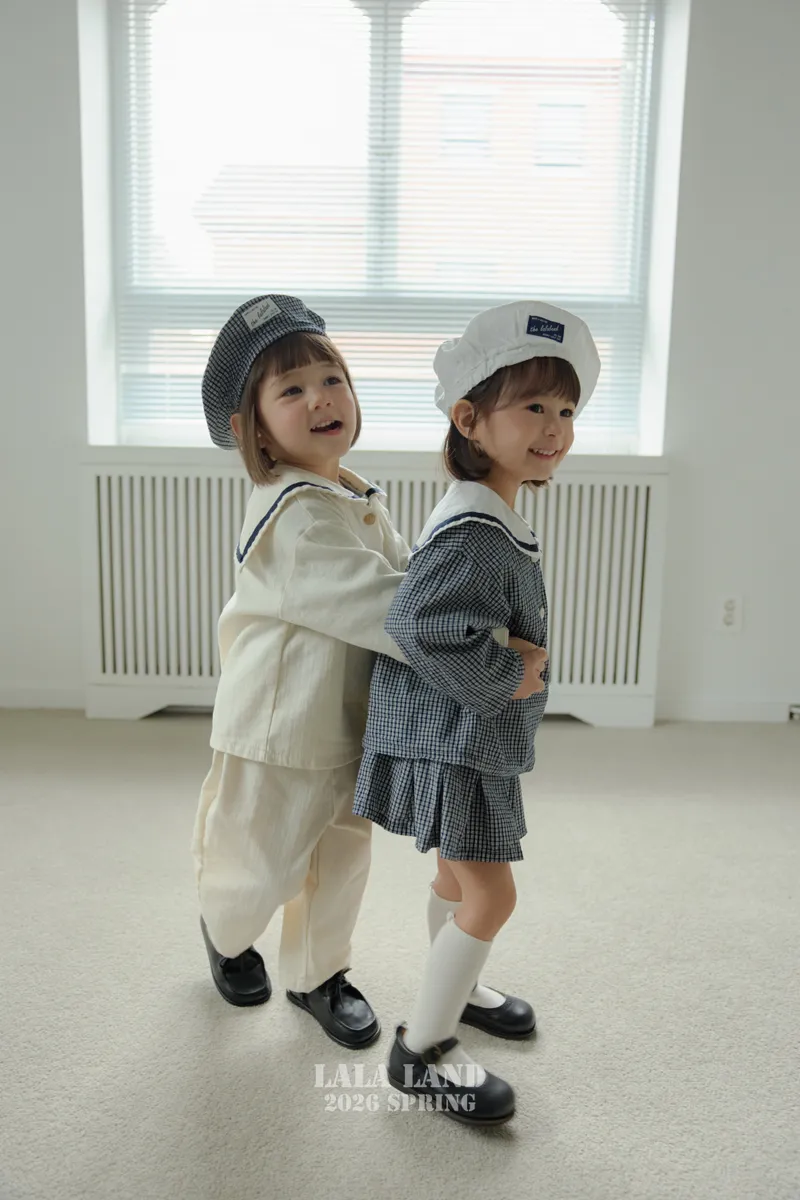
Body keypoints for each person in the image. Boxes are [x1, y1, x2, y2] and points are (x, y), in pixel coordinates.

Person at [354, 301, 601, 1123]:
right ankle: (420, 1050)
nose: (555, 427)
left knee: (455, 879)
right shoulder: (473, 528)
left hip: (460, 735)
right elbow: (418, 624)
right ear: (470, 419)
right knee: (492, 898)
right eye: (533, 406)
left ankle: (451, 992)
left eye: (566, 409)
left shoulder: (488, 509)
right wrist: (510, 673)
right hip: (455, 739)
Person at [191, 294, 411, 1049]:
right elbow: (383, 602)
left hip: (347, 723)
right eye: (291, 390)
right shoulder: (295, 516)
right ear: (252, 429)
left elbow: (405, 571)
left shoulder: (352, 493)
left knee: (341, 857)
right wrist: (474, 636)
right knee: (257, 860)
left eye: (331, 379)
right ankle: (224, 930)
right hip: (278, 731)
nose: (320, 398)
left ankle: (321, 974)